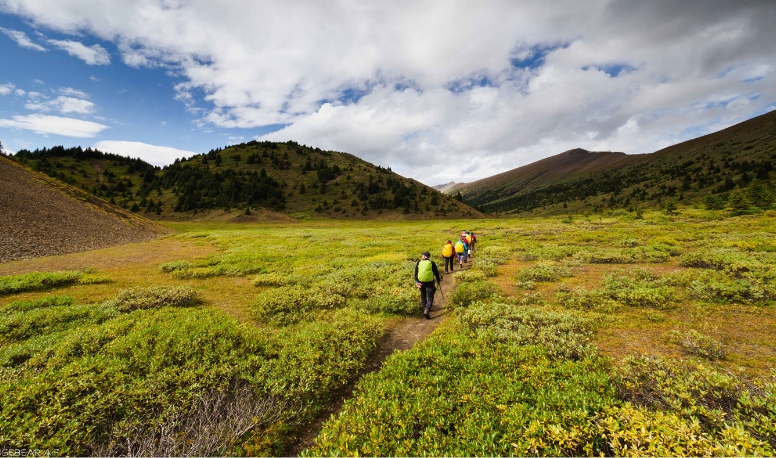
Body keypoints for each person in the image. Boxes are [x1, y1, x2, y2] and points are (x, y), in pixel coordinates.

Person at [414, 251, 442, 319]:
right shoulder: (432, 263)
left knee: (423, 296)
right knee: (430, 297)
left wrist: (416, 282)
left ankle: (424, 309)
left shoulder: (419, 262)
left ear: (424, 256)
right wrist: (438, 280)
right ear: (428, 256)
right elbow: (436, 272)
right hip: (430, 282)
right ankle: (427, 310)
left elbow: (416, 273)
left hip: (421, 282)